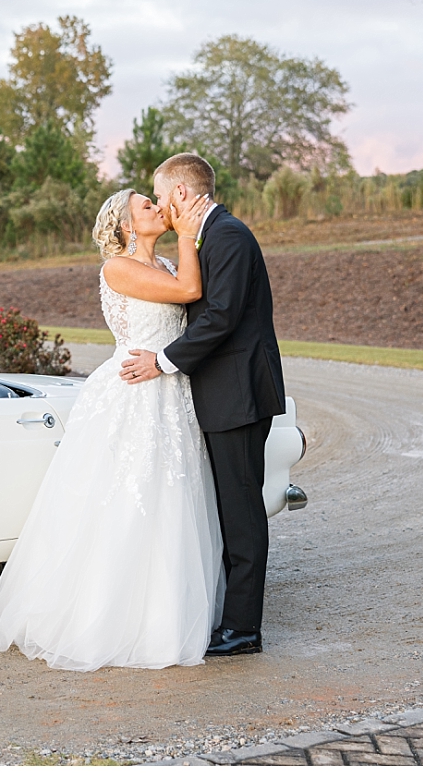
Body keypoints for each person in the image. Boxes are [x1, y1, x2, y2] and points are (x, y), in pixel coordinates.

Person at [0, 185, 222, 670]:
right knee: (123, 499)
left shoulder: (166, 265)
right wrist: (188, 230)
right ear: (126, 227)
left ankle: (165, 617)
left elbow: (187, 301)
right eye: (147, 205)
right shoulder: (118, 267)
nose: (158, 208)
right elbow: (188, 293)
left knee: (170, 500)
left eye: (156, 202)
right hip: (132, 394)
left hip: (170, 393)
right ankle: (103, 620)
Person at [121, 152, 285, 658]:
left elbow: (220, 318)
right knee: (227, 511)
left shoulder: (228, 236)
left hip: (237, 395)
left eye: (162, 196)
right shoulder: (206, 237)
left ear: (182, 194)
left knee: (242, 515)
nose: (162, 207)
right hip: (221, 394)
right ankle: (228, 618)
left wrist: (163, 362)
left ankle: (243, 630)